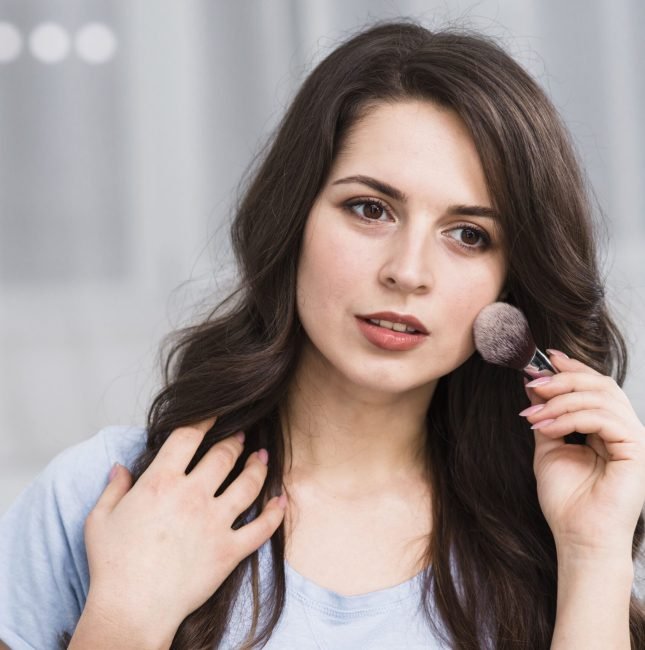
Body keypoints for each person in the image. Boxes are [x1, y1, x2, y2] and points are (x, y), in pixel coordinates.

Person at [1, 19, 644, 650]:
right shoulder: (100, 499)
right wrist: (125, 617)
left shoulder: (552, 533)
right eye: (370, 209)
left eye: (468, 235)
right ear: (295, 217)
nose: (407, 271)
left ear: (509, 282)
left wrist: (592, 554)